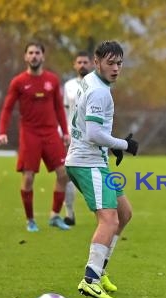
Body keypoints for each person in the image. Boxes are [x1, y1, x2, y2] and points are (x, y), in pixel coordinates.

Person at [65, 40, 138, 298]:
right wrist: (124, 144)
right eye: (110, 63)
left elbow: (90, 128)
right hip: (87, 162)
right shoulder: (100, 92)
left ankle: (100, 269)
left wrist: (112, 147)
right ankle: (90, 279)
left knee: (124, 213)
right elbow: (95, 133)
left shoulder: (90, 82)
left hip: (90, 158)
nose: (116, 68)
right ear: (97, 62)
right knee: (109, 220)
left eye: (119, 63)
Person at [0, 41, 72, 232]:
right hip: (30, 134)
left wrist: (65, 132)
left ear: (43, 56)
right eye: (30, 53)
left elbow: (59, 108)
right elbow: (7, 108)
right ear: (25, 57)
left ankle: (55, 215)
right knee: (28, 177)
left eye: (37, 53)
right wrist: (2, 132)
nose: (34, 56)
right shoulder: (18, 82)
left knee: (64, 173)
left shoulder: (52, 80)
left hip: (50, 132)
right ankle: (30, 220)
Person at [62, 51, 94, 226]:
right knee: (68, 175)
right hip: (72, 137)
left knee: (93, 174)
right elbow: (64, 111)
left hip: (92, 137)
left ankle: (101, 211)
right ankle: (69, 212)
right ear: (75, 65)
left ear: (91, 64)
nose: (82, 65)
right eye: (79, 62)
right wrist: (63, 132)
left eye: (85, 62)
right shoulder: (68, 86)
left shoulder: (97, 84)